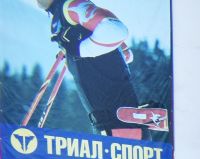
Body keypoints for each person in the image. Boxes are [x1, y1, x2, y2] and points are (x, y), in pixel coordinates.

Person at [37, 0, 143, 139]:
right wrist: (73, 55)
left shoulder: (71, 6)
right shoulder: (60, 14)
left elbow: (116, 30)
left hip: (121, 123)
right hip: (106, 122)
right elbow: (126, 54)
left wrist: (79, 49)